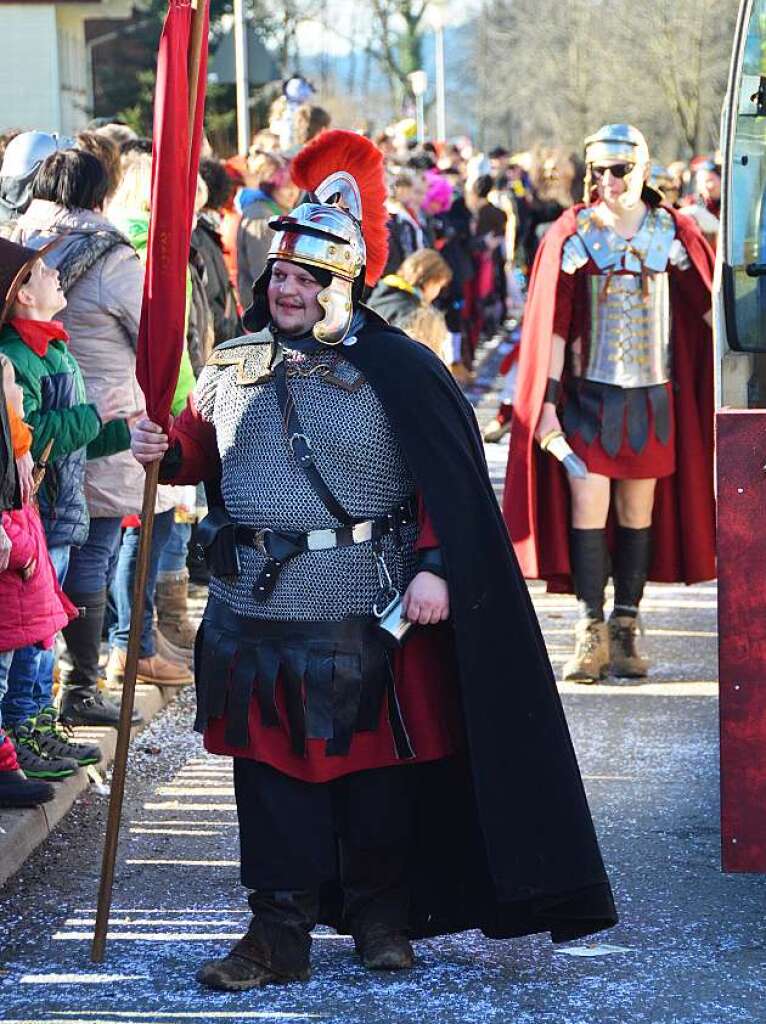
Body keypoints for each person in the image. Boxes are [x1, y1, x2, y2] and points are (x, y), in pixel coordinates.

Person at [131, 128, 616, 991]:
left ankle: (379, 914)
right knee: (271, 779)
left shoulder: (397, 368)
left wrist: (435, 563)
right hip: (257, 606)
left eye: (302, 277)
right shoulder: (233, 364)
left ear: (338, 283)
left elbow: (445, 482)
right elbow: (200, 453)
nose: (284, 289)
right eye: (277, 274)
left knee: (375, 776)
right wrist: (159, 446)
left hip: (366, 598)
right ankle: (275, 932)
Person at [503, 124, 716, 683]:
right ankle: (589, 630)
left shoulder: (673, 232)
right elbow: (553, 325)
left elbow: (708, 314)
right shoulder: (573, 235)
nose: (607, 181)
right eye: (598, 170)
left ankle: (626, 626)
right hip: (587, 400)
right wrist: (546, 404)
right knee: (587, 506)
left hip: (652, 401)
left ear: (642, 168)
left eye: (619, 170)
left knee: (636, 514)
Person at [14, 147, 170, 722]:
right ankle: (78, 688)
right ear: (100, 193)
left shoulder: (19, 239)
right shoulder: (111, 257)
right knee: (94, 553)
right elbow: (151, 330)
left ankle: (44, 691)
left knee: (45, 558)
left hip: (33, 417)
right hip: (99, 413)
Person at [0, 233, 129, 769]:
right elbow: (28, 437)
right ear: (23, 295)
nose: (56, 275)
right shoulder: (15, 357)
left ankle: (35, 724)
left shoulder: (54, 348)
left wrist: (125, 432)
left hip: (60, 510)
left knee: (42, 635)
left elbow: (74, 440)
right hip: (42, 516)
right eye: (43, 271)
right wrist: (97, 417)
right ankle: (20, 732)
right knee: (27, 640)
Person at [0, 351, 78, 803]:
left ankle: (14, 748)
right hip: (12, 597)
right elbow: (13, 526)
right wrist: (27, 555)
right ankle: (10, 754)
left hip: (23, 598)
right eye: (13, 393)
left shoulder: (18, 454)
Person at [368, 248, 452, 359]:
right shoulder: (414, 313)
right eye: (439, 286)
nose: (437, 292)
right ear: (430, 281)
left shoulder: (384, 292)